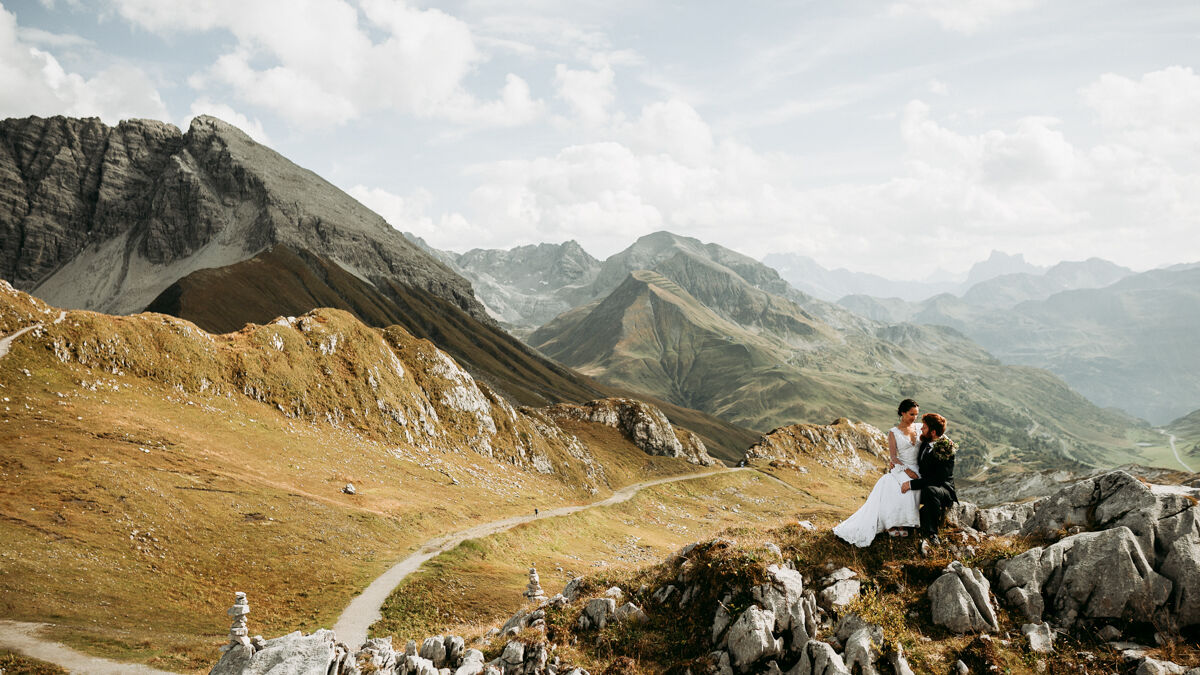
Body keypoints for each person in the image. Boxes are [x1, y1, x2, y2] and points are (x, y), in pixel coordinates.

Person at [833, 399, 923, 547]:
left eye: (916, 415)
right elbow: (893, 457)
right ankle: (893, 524)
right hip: (902, 466)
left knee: (914, 489)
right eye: (911, 414)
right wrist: (906, 470)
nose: (914, 418)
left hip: (918, 467)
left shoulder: (919, 428)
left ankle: (905, 523)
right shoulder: (893, 432)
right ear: (902, 413)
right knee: (896, 487)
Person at [900, 412, 957, 543]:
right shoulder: (925, 441)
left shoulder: (946, 449)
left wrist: (911, 484)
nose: (921, 428)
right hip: (925, 484)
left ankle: (932, 534)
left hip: (943, 489)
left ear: (933, 432)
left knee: (930, 490)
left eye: (924, 427)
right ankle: (899, 524)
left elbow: (938, 480)